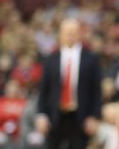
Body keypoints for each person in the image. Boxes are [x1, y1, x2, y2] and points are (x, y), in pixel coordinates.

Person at [36, 18, 102, 149]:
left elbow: (96, 91)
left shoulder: (91, 59)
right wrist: (41, 115)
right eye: (67, 32)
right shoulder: (50, 59)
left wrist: (94, 116)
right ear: (60, 35)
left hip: (81, 116)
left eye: (73, 32)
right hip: (55, 116)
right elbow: (44, 90)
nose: (70, 35)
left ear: (79, 34)